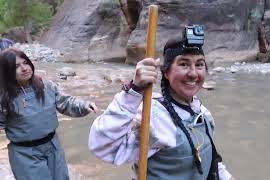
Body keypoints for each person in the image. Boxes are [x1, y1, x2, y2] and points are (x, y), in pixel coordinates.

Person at [88, 26, 235, 180]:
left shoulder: (202, 114)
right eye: (184, 64)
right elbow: (101, 146)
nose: (193, 73)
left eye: (199, 64)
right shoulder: (153, 116)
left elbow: (209, 160)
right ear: (166, 72)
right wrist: (134, 91)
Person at [0, 48, 98, 180]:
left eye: (25, 63)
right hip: (25, 154)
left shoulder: (45, 86)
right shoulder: (4, 98)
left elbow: (66, 102)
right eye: (16, 66)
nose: (24, 68)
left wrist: (84, 105)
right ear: (7, 71)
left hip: (53, 146)